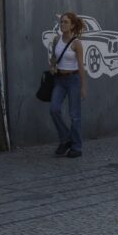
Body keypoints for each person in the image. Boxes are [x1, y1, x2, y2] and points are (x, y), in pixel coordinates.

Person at [46, 12, 87, 158]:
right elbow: (53, 58)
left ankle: (76, 146)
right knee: (54, 109)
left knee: (74, 115)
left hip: (73, 79)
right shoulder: (57, 39)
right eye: (61, 22)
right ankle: (65, 138)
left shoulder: (77, 43)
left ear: (72, 25)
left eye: (66, 22)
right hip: (60, 80)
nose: (62, 25)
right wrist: (52, 66)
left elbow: (81, 66)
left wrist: (83, 86)